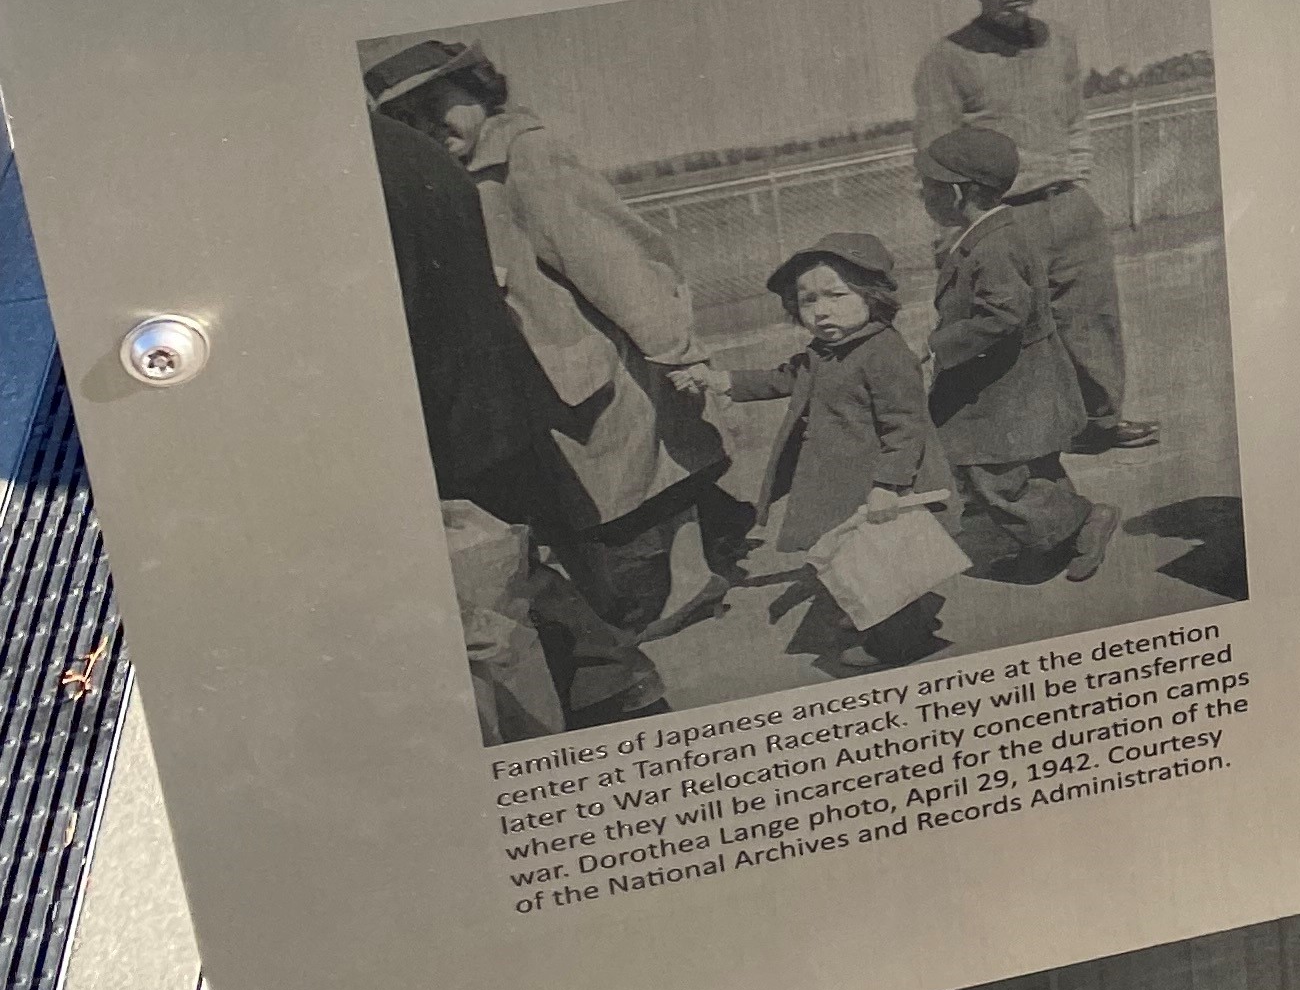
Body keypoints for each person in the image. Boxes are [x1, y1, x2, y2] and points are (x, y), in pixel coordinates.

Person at [363, 37, 747, 635]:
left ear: (482, 90)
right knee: (609, 499)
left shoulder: (525, 160)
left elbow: (614, 262)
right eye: (407, 118)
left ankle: (686, 586)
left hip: (585, 367)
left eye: (442, 101)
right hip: (538, 377)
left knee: (639, 491)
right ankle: (678, 580)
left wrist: (674, 348)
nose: (431, 125)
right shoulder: (452, 179)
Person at [367, 106, 668, 734]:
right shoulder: (409, 151)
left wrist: (671, 342)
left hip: (458, 419)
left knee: (509, 582)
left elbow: (606, 257)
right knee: (523, 573)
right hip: (492, 404)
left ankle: (610, 700)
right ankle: (617, 694)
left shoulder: (385, 163)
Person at [914, 0, 1154, 452]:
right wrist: (952, 236)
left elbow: (1075, 119)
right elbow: (935, 157)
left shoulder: (1060, 41)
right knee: (1010, 327)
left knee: (1093, 317)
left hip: (1069, 205)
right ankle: (1026, 436)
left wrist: (1079, 167)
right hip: (1003, 217)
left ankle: (1101, 422)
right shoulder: (947, 58)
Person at [728, 235, 946, 669]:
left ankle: (899, 644)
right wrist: (725, 384)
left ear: (872, 295)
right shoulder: (827, 350)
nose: (821, 310)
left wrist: (889, 485)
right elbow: (785, 377)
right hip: (842, 484)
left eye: (836, 296)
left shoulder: (882, 352)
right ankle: (891, 618)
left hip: (876, 483)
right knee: (861, 562)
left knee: (882, 567)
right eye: (807, 301)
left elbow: (905, 425)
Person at [919, 126, 1118, 586]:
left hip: (1006, 388)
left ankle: (1085, 520)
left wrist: (936, 346)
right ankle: (1056, 540)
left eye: (927, 186)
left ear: (955, 193)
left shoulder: (993, 246)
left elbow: (1004, 314)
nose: (921, 194)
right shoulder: (992, 234)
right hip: (1018, 382)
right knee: (1032, 464)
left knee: (994, 475)